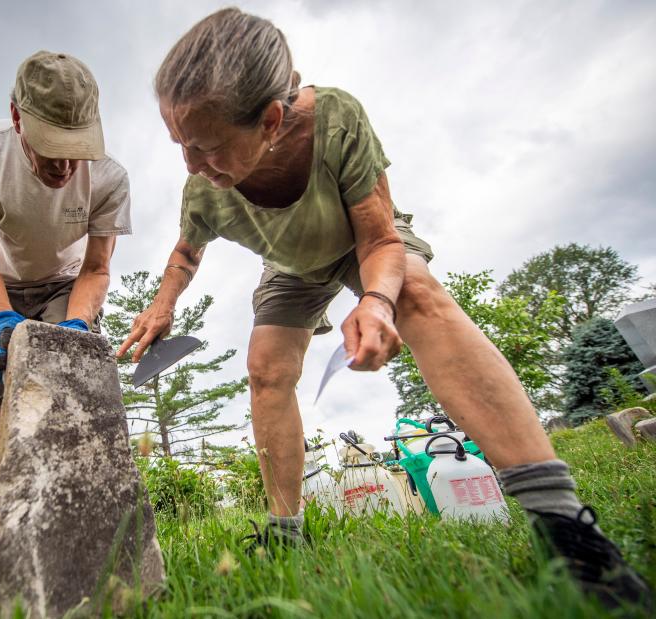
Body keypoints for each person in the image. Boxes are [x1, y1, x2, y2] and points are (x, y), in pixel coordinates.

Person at [117, 8, 651, 610]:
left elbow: (380, 240)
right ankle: (284, 531)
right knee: (267, 368)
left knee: (417, 294)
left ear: (269, 120)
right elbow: (186, 251)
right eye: (178, 144)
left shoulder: (335, 120)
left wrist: (376, 300)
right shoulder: (201, 189)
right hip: (290, 268)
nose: (190, 164)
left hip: (360, 243)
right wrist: (162, 306)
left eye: (207, 147)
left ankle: (564, 524)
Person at [0, 50, 131, 587]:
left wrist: (77, 326)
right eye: (52, 150)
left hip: (67, 285)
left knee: (74, 391)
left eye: (77, 150)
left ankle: (71, 529)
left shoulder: (110, 178)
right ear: (18, 117)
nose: (65, 167)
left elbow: (97, 268)